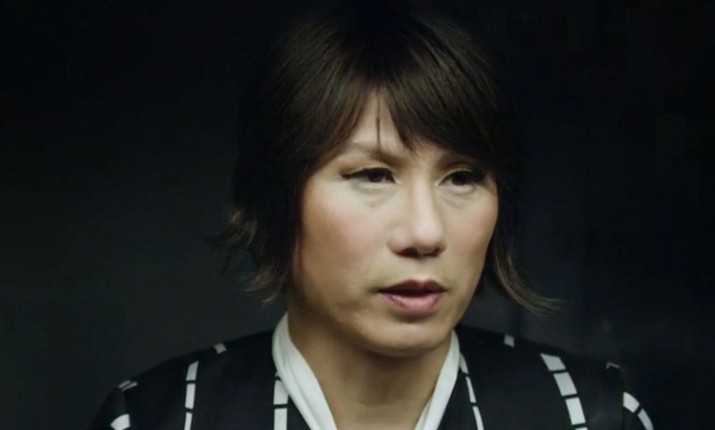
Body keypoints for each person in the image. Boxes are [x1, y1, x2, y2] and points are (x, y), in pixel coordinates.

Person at [90, 1, 653, 429]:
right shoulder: (156, 419)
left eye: (462, 178)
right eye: (373, 175)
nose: (425, 232)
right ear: (274, 196)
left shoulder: (590, 416)